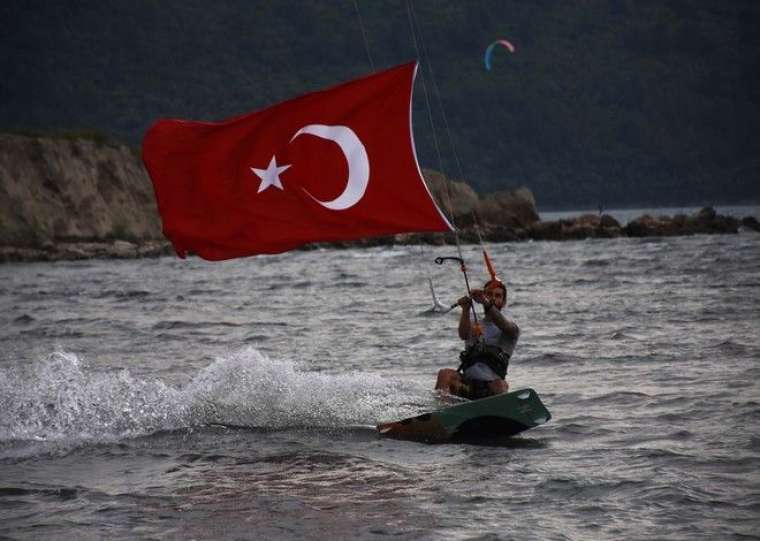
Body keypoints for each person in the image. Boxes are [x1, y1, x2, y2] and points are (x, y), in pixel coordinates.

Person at [434, 278, 519, 400]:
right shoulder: (474, 323)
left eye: (498, 296)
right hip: (468, 386)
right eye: (489, 294)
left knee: (501, 384)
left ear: (504, 302)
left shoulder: (511, 328)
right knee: (444, 374)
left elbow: (504, 325)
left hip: (491, 388)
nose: (493, 298)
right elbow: (463, 335)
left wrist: (485, 301)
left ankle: (505, 410)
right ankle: (439, 411)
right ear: (483, 296)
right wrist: (466, 309)